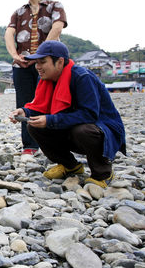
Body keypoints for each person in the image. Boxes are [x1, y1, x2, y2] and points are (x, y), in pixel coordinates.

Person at [9, 41, 126, 188]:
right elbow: (41, 107)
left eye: (42, 62)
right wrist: (25, 111)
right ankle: (70, 166)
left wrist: (51, 120)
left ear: (59, 62)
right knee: (34, 126)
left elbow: (89, 115)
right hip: (71, 128)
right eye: (36, 62)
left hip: (102, 130)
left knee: (83, 131)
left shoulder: (82, 77)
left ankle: (103, 173)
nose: (37, 67)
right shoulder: (46, 78)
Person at [5, 0, 67, 155]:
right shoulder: (19, 12)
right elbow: (9, 32)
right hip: (22, 64)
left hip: (47, 64)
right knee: (25, 103)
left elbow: (58, 27)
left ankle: (53, 143)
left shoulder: (54, 6)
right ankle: (30, 145)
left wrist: (42, 53)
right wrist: (14, 54)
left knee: (50, 100)